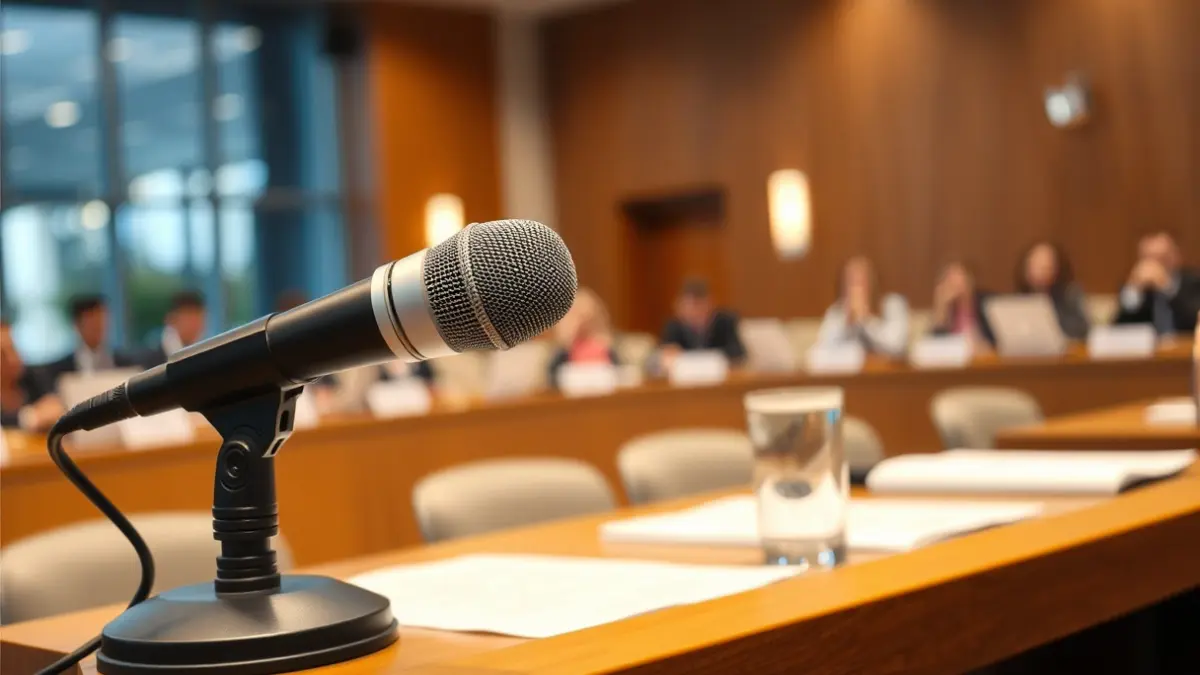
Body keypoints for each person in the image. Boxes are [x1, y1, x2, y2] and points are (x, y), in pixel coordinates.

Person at [817, 256, 909, 356]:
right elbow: (822, 349)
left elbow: (896, 346)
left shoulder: (893, 304)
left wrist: (866, 319)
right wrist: (846, 322)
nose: (857, 288)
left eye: (861, 281)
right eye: (851, 282)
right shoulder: (837, 312)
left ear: (874, 282)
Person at [42, 295, 139, 387]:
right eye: (92, 322)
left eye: (102, 320)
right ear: (77, 325)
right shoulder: (58, 371)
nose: (99, 327)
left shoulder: (127, 364)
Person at [1115, 230, 1200, 334]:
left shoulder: (1193, 282)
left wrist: (1167, 287)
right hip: (1150, 343)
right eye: (1148, 259)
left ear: (1176, 257)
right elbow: (1120, 328)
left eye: (1162, 258)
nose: (1155, 266)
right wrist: (1134, 289)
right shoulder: (1137, 289)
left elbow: (1193, 319)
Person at [659, 279, 747, 366]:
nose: (693, 311)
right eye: (687, 305)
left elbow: (738, 354)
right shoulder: (674, 326)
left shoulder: (725, 322)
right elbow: (664, 355)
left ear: (709, 303)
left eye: (697, 305)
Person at [1014, 241, 1090, 340]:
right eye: (1035, 264)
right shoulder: (1020, 299)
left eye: (1046, 265)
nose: (1041, 270)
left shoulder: (1069, 295)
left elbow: (1079, 330)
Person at [1, 319, 64, 430]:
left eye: (13, 349)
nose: (13, 359)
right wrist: (29, 417)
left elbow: (56, 407)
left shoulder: (31, 377)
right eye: (3, 355)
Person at [548, 288, 619, 384]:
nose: (583, 323)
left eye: (587, 317)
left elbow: (619, 376)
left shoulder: (608, 348)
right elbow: (552, 378)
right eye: (578, 316)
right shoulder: (563, 352)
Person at [930, 261, 995, 348]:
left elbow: (995, 341)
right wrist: (941, 308)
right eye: (951, 280)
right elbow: (936, 345)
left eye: (961, 277)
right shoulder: (948, 309)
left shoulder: (985, 302)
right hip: (955, 355)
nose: (958, 284)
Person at [144, 290, 208, 366]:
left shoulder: (205, 355)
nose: (195, 325)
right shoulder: (147, 360)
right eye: (189, 319)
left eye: (199, 319)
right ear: (171, 319)